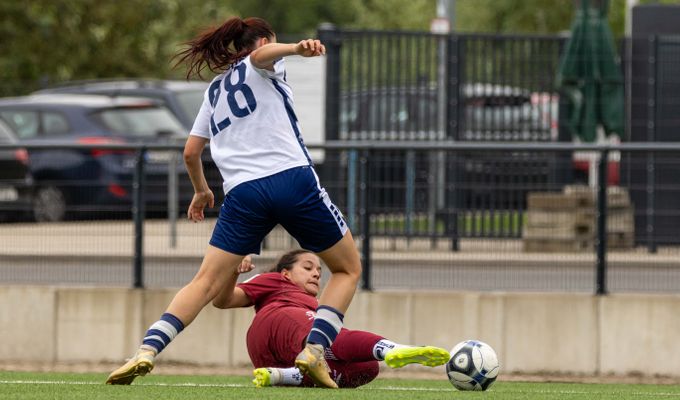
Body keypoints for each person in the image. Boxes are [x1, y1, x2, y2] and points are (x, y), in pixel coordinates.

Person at [106, 17, 362, 388]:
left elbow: (192, 152)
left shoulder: (214, 90)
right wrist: (294, 48)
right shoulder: (263, 62)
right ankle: (314, 349)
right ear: (261, 41)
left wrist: (201, 191)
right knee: (347, 270)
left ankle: (146, 350)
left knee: (205, 282)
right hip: (291, 178)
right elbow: (263, 57)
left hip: (243, 193)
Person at [212, 249, 451, 388]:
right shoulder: (276, 280)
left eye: (319, 270)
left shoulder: (315, 304)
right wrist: (233, 271)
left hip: (271, 358)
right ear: (285, 272)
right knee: (328, 336)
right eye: (307, 267)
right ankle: (390, 348)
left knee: (367, 368)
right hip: (277, 321)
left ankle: (285, 376)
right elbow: (222, 301)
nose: (316, 272)